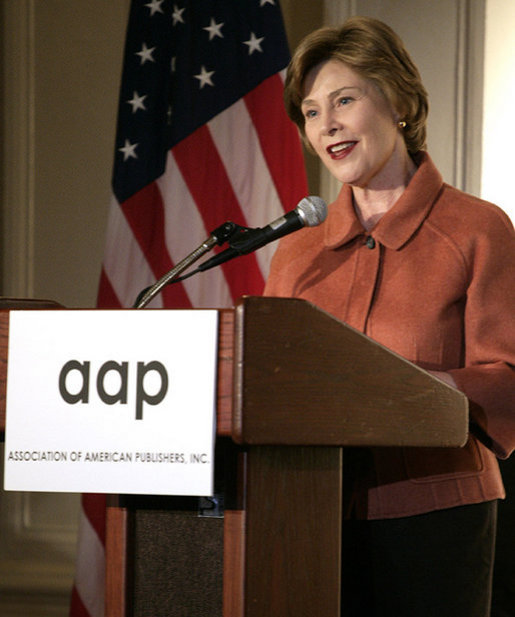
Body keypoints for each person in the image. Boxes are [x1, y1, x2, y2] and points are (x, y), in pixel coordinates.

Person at [264, 16, 515, 617]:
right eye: (311, 111)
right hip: (304, 516)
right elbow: (265, 383)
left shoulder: (478, 229)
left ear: (398, 100)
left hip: (435, 519)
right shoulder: (296, 249)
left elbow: (506, 378)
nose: (327, 126)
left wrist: (396, 392)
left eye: (345, 100)